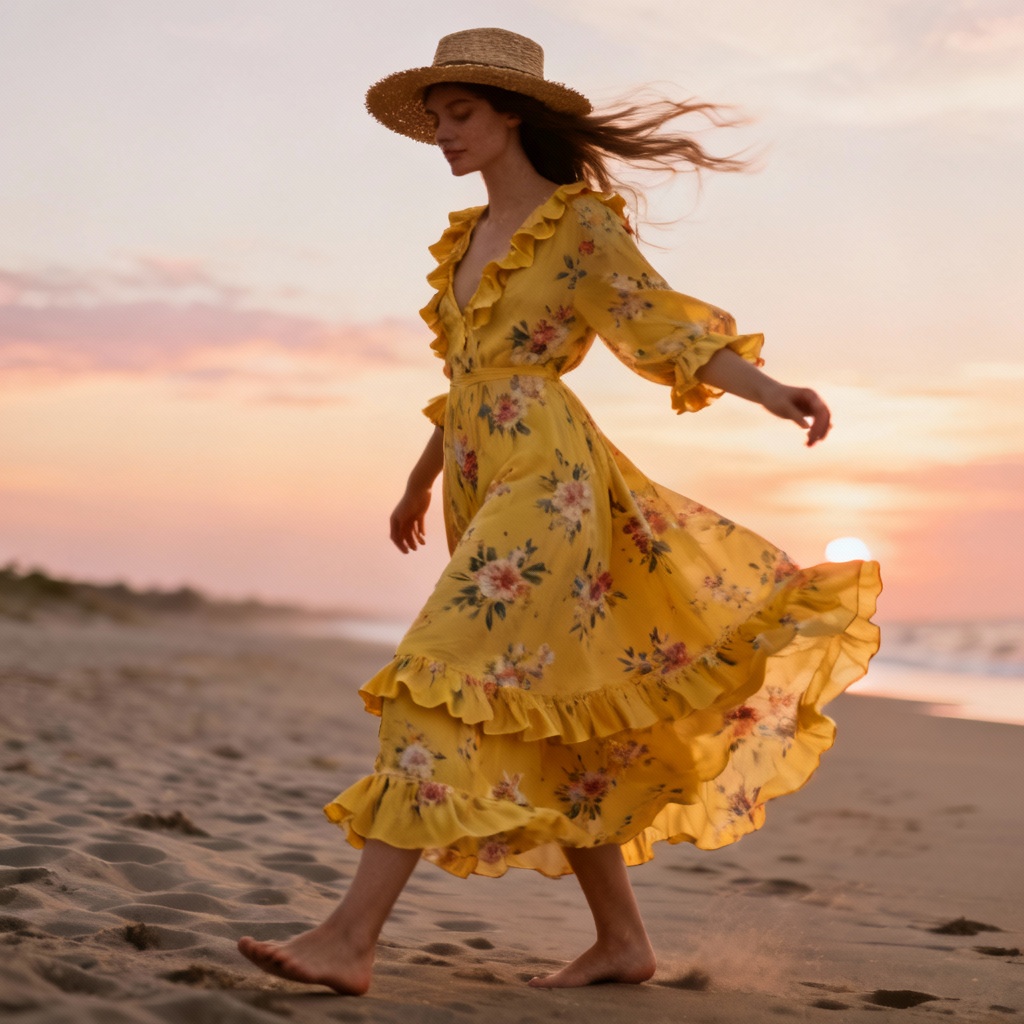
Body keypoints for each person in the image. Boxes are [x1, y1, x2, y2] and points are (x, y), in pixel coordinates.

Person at [238, 27, 881, 994]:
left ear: (510, 116)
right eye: (437, 119)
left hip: (549, 483)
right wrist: (419, 478)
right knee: (557, 711)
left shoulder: (579, 228)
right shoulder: (464, 239)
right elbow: (468, 380)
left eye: (461, 115)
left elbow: (657, 323)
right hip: (475, 475)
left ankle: (349, 937)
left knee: (434, 675)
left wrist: (767, 388)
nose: (444, 134)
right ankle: (624, 942)